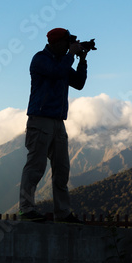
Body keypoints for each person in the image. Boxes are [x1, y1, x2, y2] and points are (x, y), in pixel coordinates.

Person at [18, 28, 89, 223]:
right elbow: (57, 73)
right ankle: (26, 209)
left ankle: (63, 213)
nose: (68, 46)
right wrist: (71, 55)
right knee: (35, 166)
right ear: (56, 43)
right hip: (40, 119)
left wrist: (82, 60)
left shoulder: (63, 61)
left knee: (62, 170)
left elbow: (79, 83)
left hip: (58, 122)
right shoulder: (40, 59)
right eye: (67, 43)